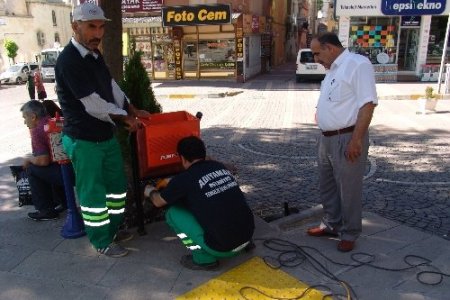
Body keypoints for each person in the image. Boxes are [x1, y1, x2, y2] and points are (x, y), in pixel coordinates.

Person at [55, 3, 149, 258]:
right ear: (76, 27)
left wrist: (132, 107)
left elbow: (110, 86)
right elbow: (93, 104)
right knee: (93, 195)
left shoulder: (95, 54)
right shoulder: (68, 61)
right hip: (84, 141)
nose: (98, 33)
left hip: (105, 137)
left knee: (117, 188)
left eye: (101, 27)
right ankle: (101, 241)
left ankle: (112, 229)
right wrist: (124, 118)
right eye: (91, 27)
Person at [307, 32, 377, 252]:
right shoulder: (331, 71)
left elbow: (367, 105)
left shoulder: (357, 65)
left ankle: (350, 232)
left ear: (330, 48)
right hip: (326, 138)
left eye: (318, 53)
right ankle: (331, 224)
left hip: (347, 137)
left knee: (348, 189)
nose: (316, 59)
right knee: (327, 186)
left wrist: (356, 140)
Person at [144, 136, 255, 271]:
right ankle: (243, 244)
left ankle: (203, 259)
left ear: (183, 158)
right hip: (248, 236)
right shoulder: (219, 167)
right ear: (204, 154)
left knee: (172, 213)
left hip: (222, 249)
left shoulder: (184, 179)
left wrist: (149, 191)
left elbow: (158, 202)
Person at [20, 100, 67, 220]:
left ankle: (46, 210)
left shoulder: (37, 130)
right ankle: (63, 202)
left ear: (33, 116)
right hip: (75, 167)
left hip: (67, 173)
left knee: (32, 169)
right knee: (51, 164)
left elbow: (43, 160)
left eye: (25, 118)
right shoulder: (53, 121)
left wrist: (29, 159)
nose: (25, 122)